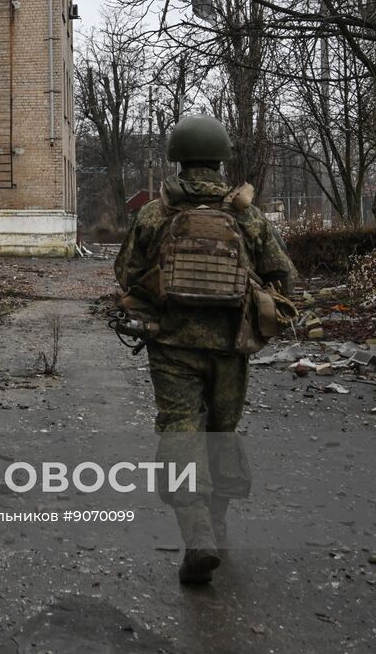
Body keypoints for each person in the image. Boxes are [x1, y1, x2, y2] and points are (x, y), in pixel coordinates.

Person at [114, 114, 296, 585]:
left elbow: (126, 274)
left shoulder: (157, 213)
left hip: (171, 344)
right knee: (223, 430)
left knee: (180, 431)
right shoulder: (246, 214)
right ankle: (217, 525)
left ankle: (197, 536)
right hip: (232, 345)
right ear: (220, 160)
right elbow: (284, 276)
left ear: (178, 158)